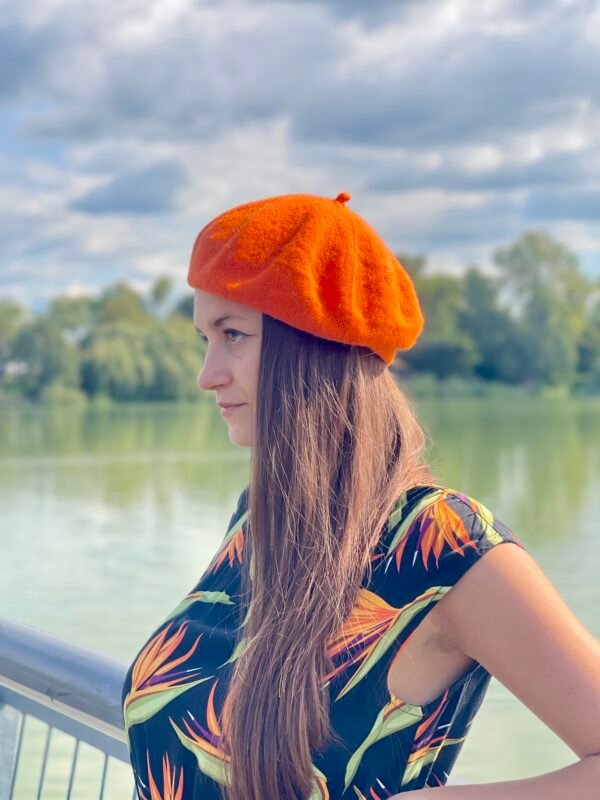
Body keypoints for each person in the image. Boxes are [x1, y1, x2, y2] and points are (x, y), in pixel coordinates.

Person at [121, 192, 600, 800]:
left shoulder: (441, 543)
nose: (207, 373)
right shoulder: (259, 517)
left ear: (314, 347)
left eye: (233, 335)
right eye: (205, 339)